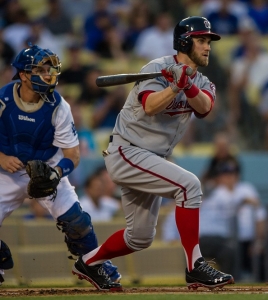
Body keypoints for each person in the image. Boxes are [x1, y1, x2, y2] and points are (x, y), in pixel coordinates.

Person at [72, 16, 235, 290]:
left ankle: (88, 262)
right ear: (184, 42)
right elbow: (149, 106)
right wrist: (173, 86)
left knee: (139, 237)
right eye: (201, 40)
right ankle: (195, 266)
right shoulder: (156, 68)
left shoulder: (204, 81)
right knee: (189, 186)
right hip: (128, 151)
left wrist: (186, 84)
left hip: (151, 159)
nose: (208, 46)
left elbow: (204, 108)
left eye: (209, 41)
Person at [0, 44, 121, 290]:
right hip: (6, 171)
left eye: (50, 69)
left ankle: (92, 264)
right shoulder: (2, 99)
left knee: (77, 222)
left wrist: (55, 174)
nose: (48, 74)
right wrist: (0, 158)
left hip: (47, 170)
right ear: (23, 75)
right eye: (41, 69)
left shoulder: (59, 105)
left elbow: (73, 155)